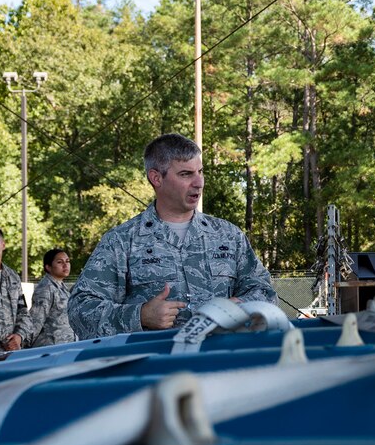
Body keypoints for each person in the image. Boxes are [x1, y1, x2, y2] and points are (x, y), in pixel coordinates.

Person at [69, 133, 277, 339]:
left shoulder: (228, 236)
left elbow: (264, 292)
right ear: (156, 178)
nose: (199, 182)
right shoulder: (123, 241)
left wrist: (239, 306)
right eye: (186, 174)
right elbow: (80, 309)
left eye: (200, 172)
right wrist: (139, 316)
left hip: (220, 364)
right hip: (155, 367)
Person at [0, 226, 32, 352]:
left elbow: (23, 310)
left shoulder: (12, 276)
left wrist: (19, 336)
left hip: (13, 350)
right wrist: (6, 339)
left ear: (3, 245)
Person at [27, 248, 76, 347]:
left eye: (67, 261)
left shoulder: (62, 287)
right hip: (50, 348)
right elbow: (36, 321)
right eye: (59, 262)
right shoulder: (46, 288)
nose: (65, 265)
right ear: (48, 267)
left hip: (65, 346)